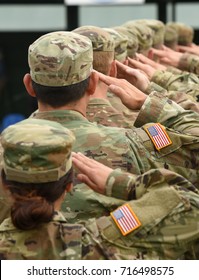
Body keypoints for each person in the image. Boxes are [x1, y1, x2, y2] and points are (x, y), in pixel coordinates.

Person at [22, 30, 199, 223]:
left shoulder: (6, 150)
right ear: (93, 83)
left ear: (29, 85)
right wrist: (150, 100)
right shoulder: (134, 144)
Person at [0, 118, 199, 260]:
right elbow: (189, 203)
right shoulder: (95, 247)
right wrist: (121, 183)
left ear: (4, 185)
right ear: (70, 185)